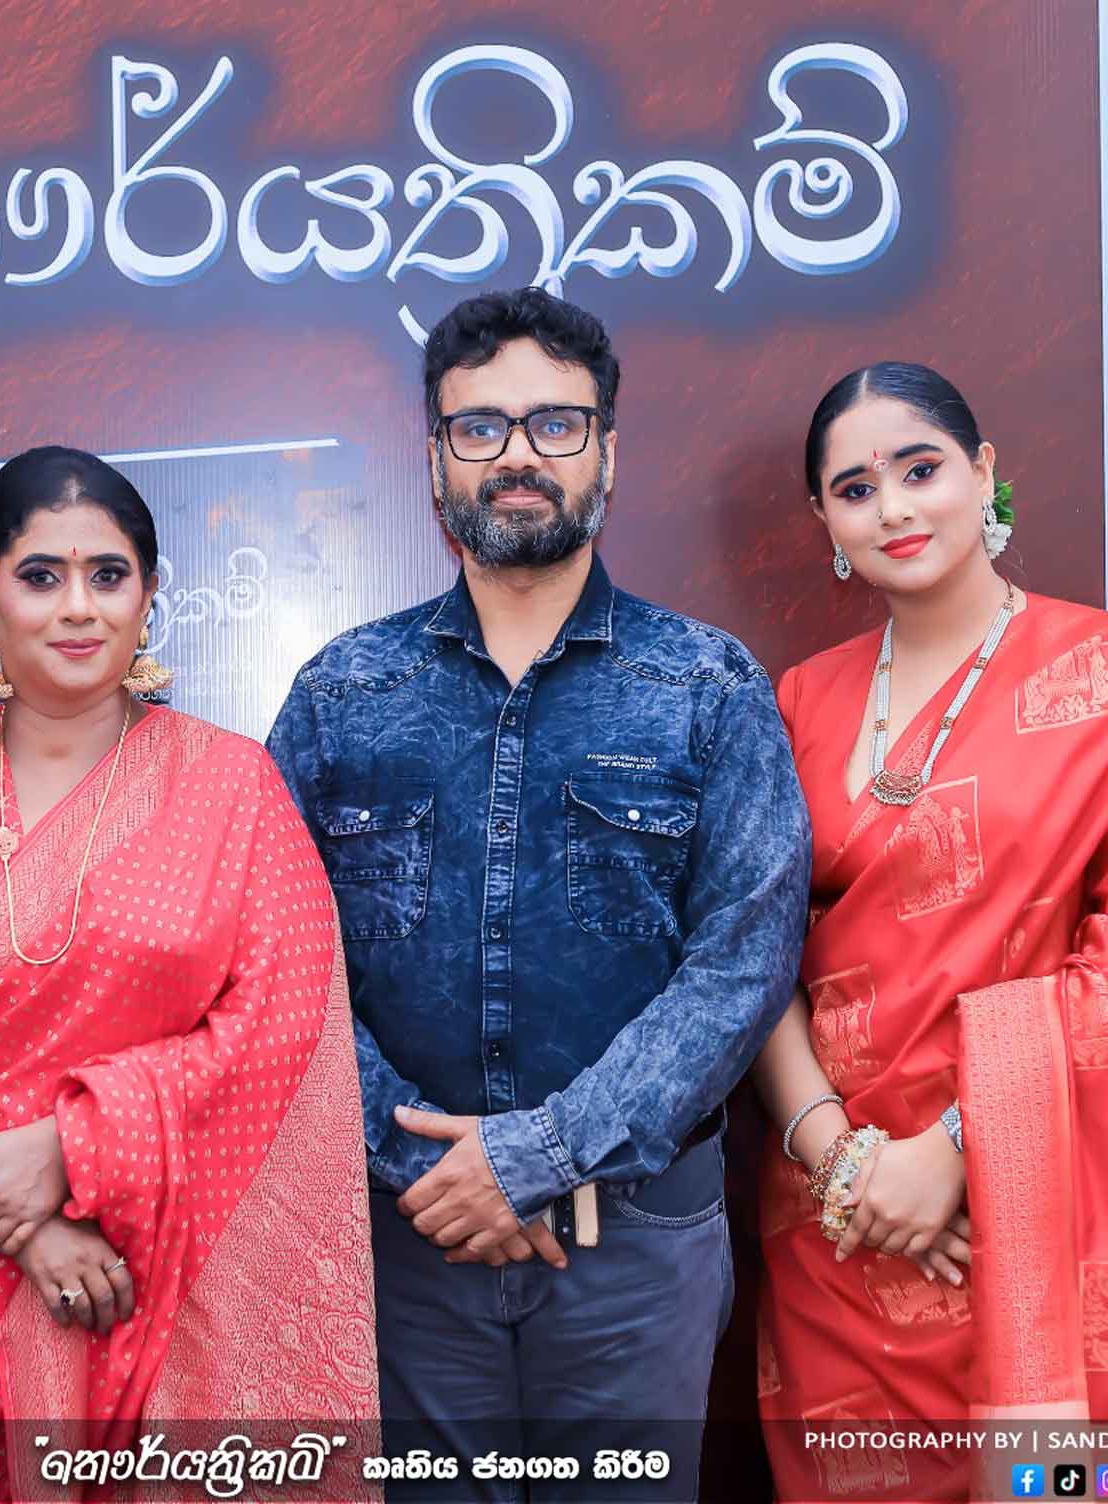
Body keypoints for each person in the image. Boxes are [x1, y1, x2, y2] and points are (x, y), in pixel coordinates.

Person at [748, 362, 1108, 1500]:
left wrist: (956, 1147)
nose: (894, 507)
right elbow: (747, 954)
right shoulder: (798, 705)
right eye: (855, 488)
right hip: (840, 1226)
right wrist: (846, 1161)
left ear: (982, 473)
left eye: (920, 469)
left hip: (1059, 1215)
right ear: (824, 521)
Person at [265, 288, 811, 1498]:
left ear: (606, 451)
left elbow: (743, 961)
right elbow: (274, 965)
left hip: (632, 1246)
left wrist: (540, 1153)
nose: (517, 453)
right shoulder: (340, 694)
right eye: (479, 427)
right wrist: (424, 1166)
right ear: (433, 462)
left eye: (554, 423)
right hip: (406, 1242)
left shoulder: (706, 686)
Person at [0, 446, 378, 1495]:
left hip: (158, 1271)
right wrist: (6, 1212)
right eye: (40, 575)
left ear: (148, 599)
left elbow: (282, 1031)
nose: (77, 606)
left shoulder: (232, 786)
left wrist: (75, 1146)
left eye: (108, 575)